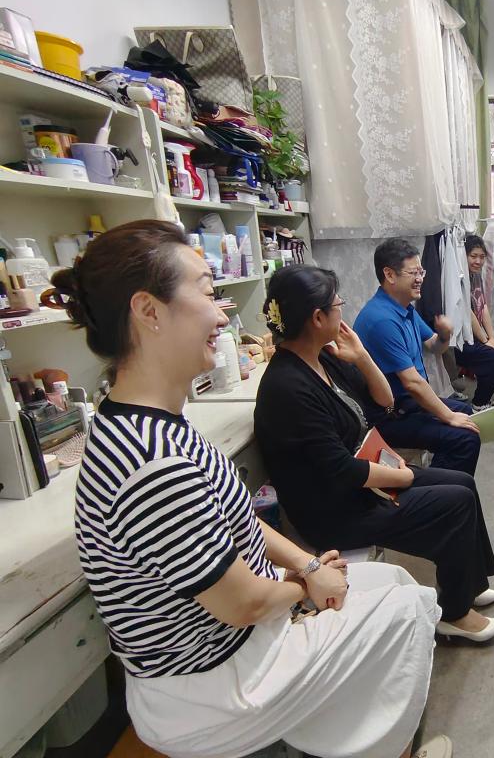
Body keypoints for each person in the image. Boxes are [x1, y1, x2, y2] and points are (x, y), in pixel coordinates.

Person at [45, 221, 449, 758]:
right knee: (409, 607)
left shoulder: (150, 422)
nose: (222, 316)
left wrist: (307, 565)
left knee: (392, 580)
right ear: (148, 311)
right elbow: (245, 604)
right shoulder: (153, 462)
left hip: (238, 638)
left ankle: (352, 742)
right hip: (216, 684)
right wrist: (305, 586)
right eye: (207, 293)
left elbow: (234, 520)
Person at [254, 265, 494, 642]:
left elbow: (384, 404)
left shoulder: (325, 358)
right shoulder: (287, 388)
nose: (343, 311)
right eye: (337, 305)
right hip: (335, 509)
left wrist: (362, 357)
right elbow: (342, 471)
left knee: (462, 484)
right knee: (454, 503)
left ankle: (468, 586)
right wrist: (403, 475)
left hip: (362, 479)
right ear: (318, 318)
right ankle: (455, 614)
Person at [353, 238, 481, 476]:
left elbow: (434, 346)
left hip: (409, 404)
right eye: (413, 272)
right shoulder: (382, 320)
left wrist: (444, 335)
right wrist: (448, 416)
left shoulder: (405, 308)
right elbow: (412, 382)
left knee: (467, 413)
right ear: (389, 275)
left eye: (421, 272)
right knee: (464, 437)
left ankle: (446, 479)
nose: (420, 278)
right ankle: (441, 489)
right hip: (390, 416)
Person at [452, 234, 494, 411]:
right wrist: (485, 340)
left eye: (482, 257)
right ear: (464, 255)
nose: (478, 261)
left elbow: (483, 307)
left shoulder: (476, 276)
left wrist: (492, 338)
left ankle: (483, 399)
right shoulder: (459, 277)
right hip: (458, 340)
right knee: (492, 357)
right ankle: (479, 404)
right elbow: (467, 311)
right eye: (473, 256)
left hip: (472, 334)